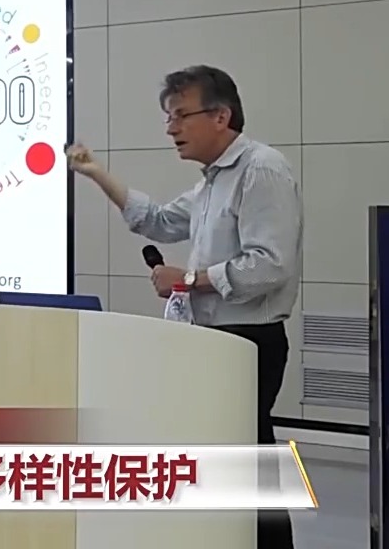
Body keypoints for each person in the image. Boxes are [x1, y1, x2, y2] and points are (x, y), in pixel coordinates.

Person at [67, 64, 300, 549]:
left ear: (220, 116)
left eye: (180, 115)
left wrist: (189, 280)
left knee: (248, 465)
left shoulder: (261, 169)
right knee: (224, 464)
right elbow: (156, 221)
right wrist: (96, 173)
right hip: (211, 339)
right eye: (168, 117)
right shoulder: (211, 182)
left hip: (247, 341)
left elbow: (269, 265)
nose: (171, 128)